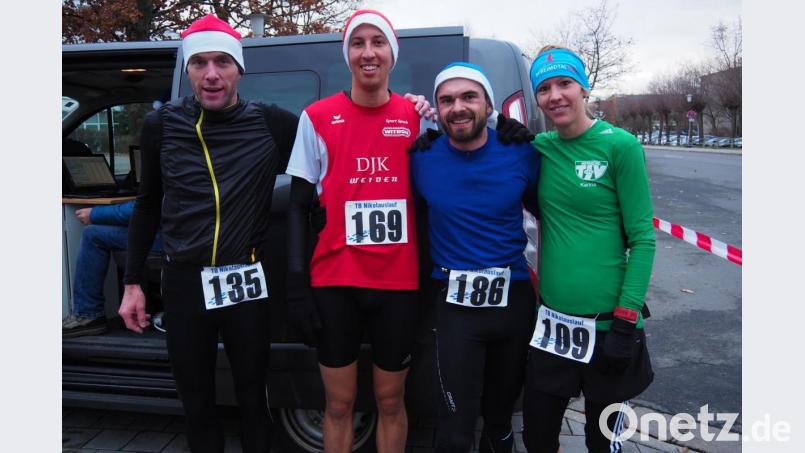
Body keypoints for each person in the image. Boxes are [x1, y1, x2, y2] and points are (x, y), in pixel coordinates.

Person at [118, 14, 299, 453]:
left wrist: (414, 114)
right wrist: (132, 282)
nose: (212, 74)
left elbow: (338, 152)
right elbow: (147, 204)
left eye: (223, 61)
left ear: (239, 69)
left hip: (245, 280)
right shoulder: (162, 124)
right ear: (188, 70)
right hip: (184, 282)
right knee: (197, 404)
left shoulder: (273, 123)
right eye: (199, 63)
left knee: (254, 401)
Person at [283, 9, 441, 452]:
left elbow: (458, 162)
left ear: (392, 53)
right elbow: (297, 205)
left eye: (378, 42)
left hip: (398, 283)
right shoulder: (316, 117)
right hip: (336, 282)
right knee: (339, 404)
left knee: (390, 401)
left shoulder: (418, 117)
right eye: (358, 43)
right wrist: (296, 282)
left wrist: (503, 126)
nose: (368, 52)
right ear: (347, 54)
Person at [522, 46, 656, 453]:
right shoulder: (539, 148)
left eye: (564, 83)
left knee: (602, 443)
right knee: (538, 439)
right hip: (554, 327)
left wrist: (626, 321)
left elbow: (643, 239)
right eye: (544, 88)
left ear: (584, 87)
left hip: (610, 327)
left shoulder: (620, 146)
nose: (555, 96)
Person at [409, 62, 539, 453]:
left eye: (469, 97)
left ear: (488, 104)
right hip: (453, 308)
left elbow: (556, 215)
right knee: (454, 430)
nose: (458, 107)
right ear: (436, 109)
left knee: (499, 425)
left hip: (512, 302)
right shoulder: (421, 157)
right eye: (447, 100)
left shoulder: (522, 152)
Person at [62, 200, 162, 338]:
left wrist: (94, 214)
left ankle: (88, 314)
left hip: (168, 239)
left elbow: (144, 207)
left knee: (92, 234)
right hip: (184, 238)